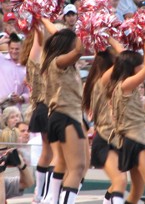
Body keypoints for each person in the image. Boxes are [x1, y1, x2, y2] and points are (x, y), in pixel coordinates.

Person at [83, 40, 145, 204]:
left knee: (125, 185)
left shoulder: (113, 85)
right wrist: (107, 34)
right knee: (120, 181)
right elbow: (123, 56)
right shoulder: (102, 82)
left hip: (118, 139)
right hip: (104, 139)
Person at [107, 40, 145, 203]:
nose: (142, 67)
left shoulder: (121, 84)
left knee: (137, 191)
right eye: (139, 65)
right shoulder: (125, 85)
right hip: (136, 139)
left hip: (130, 140)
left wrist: (111, 37)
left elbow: (124, 55)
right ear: (132, 68)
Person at [40, 21, 87, 203]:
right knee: (77, 167)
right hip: (67, 116)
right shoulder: (59, 62)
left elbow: (57, 34)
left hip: (58, 117)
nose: (78, 42)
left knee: (62, 163)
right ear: (66, 45)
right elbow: (78, 51)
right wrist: (86, 25)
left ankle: (50, 200)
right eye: (74, 40)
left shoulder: (53, 60)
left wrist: (43, 15)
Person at [19, 25, 53, 204]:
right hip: (45, 107)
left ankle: (41, 195)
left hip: (46, 108)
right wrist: (40, 19)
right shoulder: (35, 57)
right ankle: (45, 195)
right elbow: (40, 37)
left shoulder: (44, 59)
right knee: (54, 153)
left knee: (49, 152)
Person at [0, 33, 29, 112]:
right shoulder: (2, 60)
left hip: (16, 112)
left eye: (17, 49)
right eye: (11, 48)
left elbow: (29, 92)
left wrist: (20, 98)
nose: (14, 51)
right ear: (8, 48)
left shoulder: (26, 67)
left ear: (22, 48)